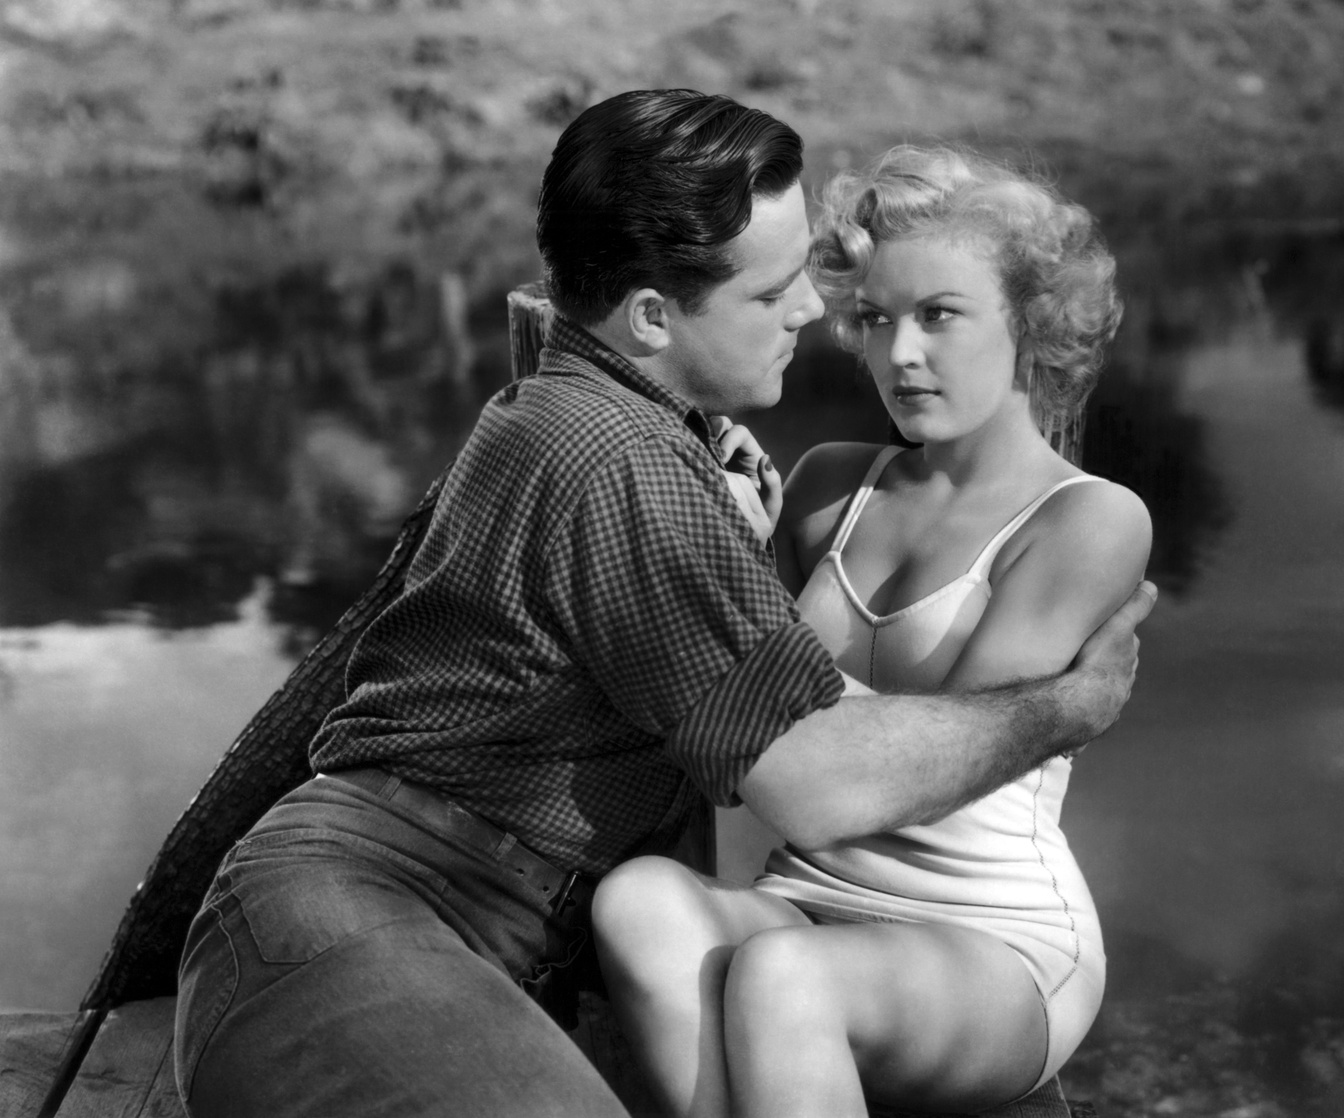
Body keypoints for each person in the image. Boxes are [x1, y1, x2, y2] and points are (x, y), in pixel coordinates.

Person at [172, 91, 1155, 1118]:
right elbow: (817, 784)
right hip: (358, 916)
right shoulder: (625, 464)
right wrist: (1068, 706)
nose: (812, 312)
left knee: (663, 918)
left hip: (420, 919)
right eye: (774, 289)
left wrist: (727, 537)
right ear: (649, 316)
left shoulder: (581, 419)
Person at [592, 144, 1152, 1118]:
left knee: (783, 977)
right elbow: (733, 748)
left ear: (1028, 319)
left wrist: (741, 605)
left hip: (985, 938)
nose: (897, 355)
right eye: (877, 317)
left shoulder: (1089, 519)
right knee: (637, 899)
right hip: (803, 899)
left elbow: (928, 768)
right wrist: (723, 547)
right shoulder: (826, 484)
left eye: (938, 315)